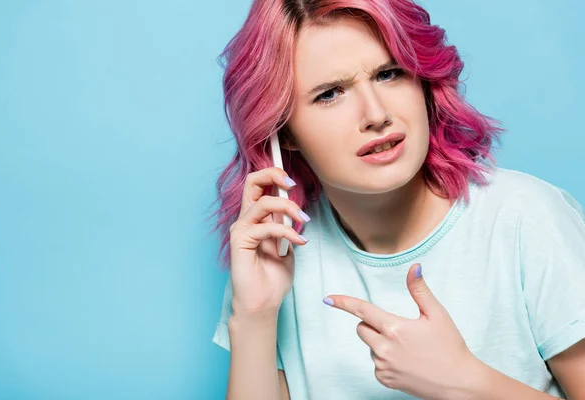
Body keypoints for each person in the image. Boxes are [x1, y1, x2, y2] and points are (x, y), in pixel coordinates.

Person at [208, 0, 585, 399]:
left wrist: (464, 381)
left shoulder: (525, 217)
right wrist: (254, 316)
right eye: (330, 94)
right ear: (284, 133)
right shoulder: (275, 251)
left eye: (389, 74)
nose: (376, 114)